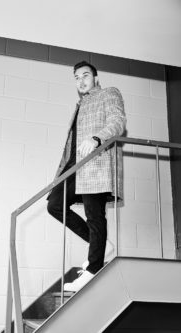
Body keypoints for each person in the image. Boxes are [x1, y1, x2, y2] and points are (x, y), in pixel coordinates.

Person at [47, 61, 126, 292]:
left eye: (85, 75)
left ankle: (93, 269)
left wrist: (97, 138)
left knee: (94, 215)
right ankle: (100, 246)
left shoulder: (109, 94)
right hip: (76, 167)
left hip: (97, 164)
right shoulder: (80, 104)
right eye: (76, 77)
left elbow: (118, 122)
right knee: (54, 205)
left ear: (96, 77)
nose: (81, 81)